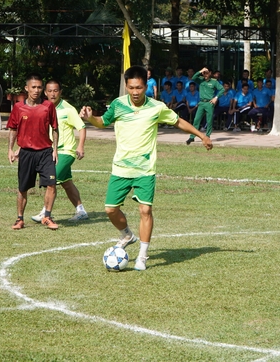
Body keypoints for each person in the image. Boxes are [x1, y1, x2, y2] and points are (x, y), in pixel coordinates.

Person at [79, 65, 213, 271]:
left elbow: (178, 122)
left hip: (145, 169)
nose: (135, 92)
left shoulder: (156, 107)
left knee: (145, 210)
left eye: (139, 88)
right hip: (121, 168)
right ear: (126, 86)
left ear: (146, 86)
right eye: (131, 88)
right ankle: (127, 234)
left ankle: (142, 256)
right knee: (110, 209)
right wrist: (90, 118)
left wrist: (201, 135)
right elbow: (102, 122)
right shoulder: (117, 104)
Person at [32, 79, 89, 223]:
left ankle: (45, 213)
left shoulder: (68, 109)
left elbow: (81, 127)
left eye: (55, 91)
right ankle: (81, 211)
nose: (52, 94)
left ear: (60, 92)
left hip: (66, 152)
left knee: (51, 180)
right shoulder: (43, 108)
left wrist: (80, 146)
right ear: (45, 92)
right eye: (49, 91)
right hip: (50, 152)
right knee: (66, 183)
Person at [7, 74, 59, 230]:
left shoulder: (48, 106)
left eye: (39, 87)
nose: (36, 90)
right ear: (27, 88)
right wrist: (10, 149)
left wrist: (55, 149)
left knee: (51, 184)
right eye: (33, 87)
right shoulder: (18, 107)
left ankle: (47, 217)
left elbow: (55, 128)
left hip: (45, 152)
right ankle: (19, 219)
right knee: (23, 188)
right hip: (26, 153)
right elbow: (13, 128)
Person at [187, 66, 225, 145]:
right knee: (196, 120)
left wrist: (216, 98)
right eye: (204, 73)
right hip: (201, 103)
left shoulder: (214, 82)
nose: (205, 75)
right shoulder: (200, 80)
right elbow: (193, 77)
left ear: (210, 73)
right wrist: (201, 71)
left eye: (207, 73)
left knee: (209, 120)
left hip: (209, 103)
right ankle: (192, 137)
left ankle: (207, 136)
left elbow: (222, 89)